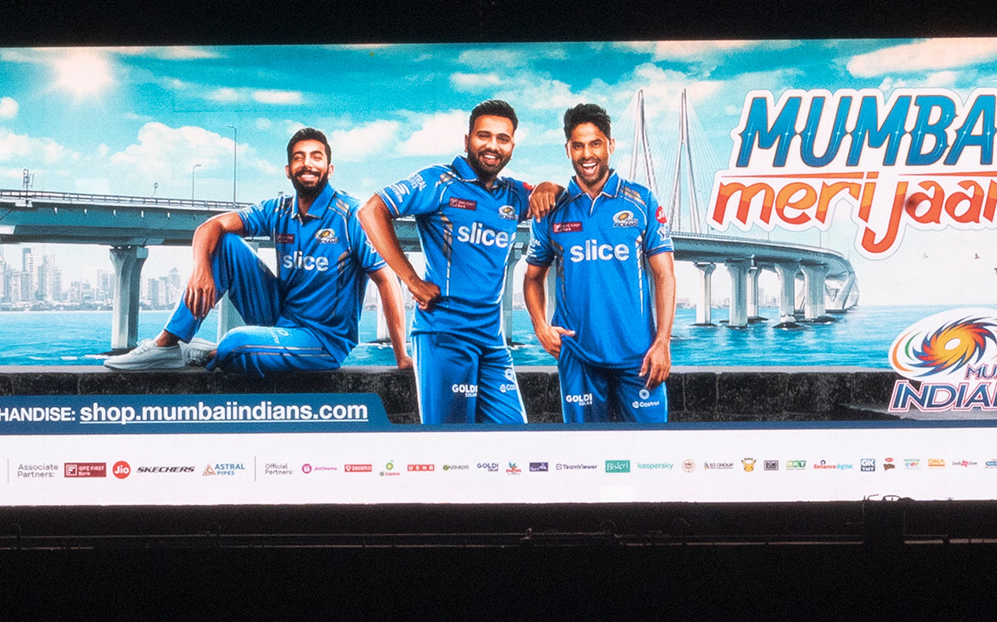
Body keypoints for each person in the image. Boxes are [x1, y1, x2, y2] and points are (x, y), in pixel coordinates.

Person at [106, 128, 410, 375]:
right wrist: (201, 268)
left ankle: (207, 353)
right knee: (224, 241)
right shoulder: (278, 209)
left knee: (236, 341)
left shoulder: (353, 216)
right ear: (288, 170)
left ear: (329, 169)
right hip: (280, 316)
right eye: (299, 158)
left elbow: (387, 280)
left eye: (316, 157)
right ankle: (166, 345)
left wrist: (402, 356)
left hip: (322, 340)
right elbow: (211, 226)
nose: (308, 164)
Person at [357, 99, 560, 423]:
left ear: (512, 146)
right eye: (484, 135)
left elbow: (559, 198)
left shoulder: (514, 193)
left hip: (492, 341)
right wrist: (411, 280)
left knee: (516, 438)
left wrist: (549, 186)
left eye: (503, 138)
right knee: (449, 445)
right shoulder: (438, 181)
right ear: (467, 140)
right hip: (445, 335)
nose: (493, 146)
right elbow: (371, 211)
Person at [522, 102, 676, 422]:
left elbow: (665, 275)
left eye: (595, 144)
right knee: (583, 450)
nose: (587, 154)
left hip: (639, 356)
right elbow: (533, 277)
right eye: (578, 146)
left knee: (653, 448)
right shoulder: (550, 210)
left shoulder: (642, 201)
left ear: (610, 145)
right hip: (577, 357)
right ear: (568, 149)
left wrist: (663, 341)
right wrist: (540, 327)